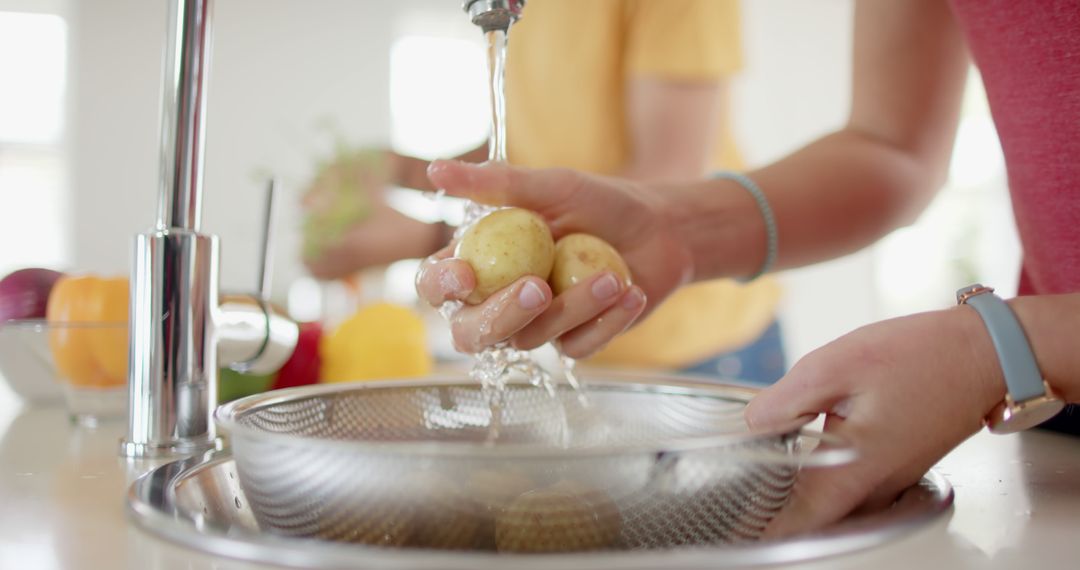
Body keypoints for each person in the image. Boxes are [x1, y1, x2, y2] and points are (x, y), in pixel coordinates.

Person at [415, 0, 1080, 537]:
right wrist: (678, 227)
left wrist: (1002, 347)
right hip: (1052, 411)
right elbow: (893, 144)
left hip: (1020, 371)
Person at [301, 0, 787, 384]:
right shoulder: (519, 10)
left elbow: (667, 176)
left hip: (705, 349)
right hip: (596, 348)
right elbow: (528, 153)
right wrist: (403, 169)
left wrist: (425, 240)